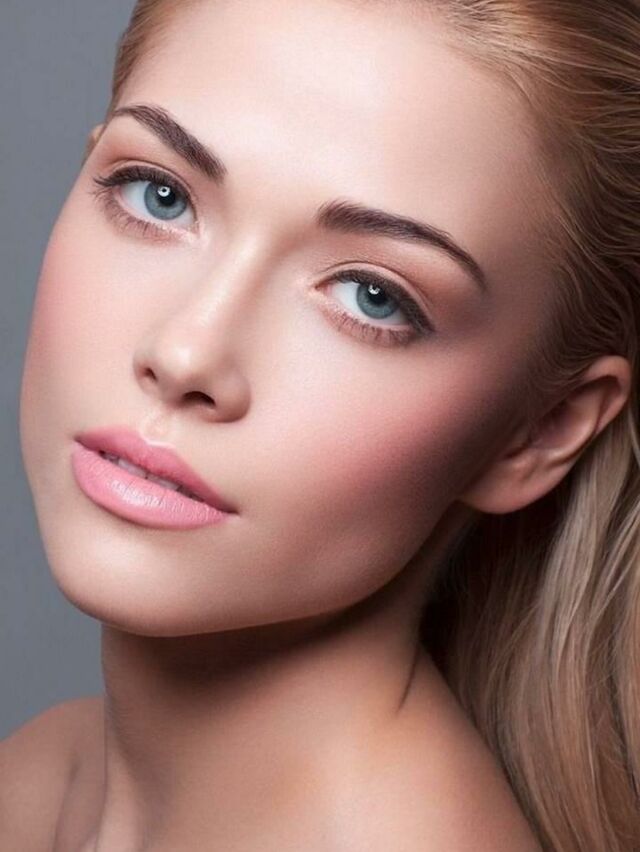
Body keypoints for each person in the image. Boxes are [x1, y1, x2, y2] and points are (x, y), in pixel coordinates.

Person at [2, 0, 639, 849]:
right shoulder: (40, 778)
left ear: (542, 430)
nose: (186, 354)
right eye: (160, 195)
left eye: (373, 296)